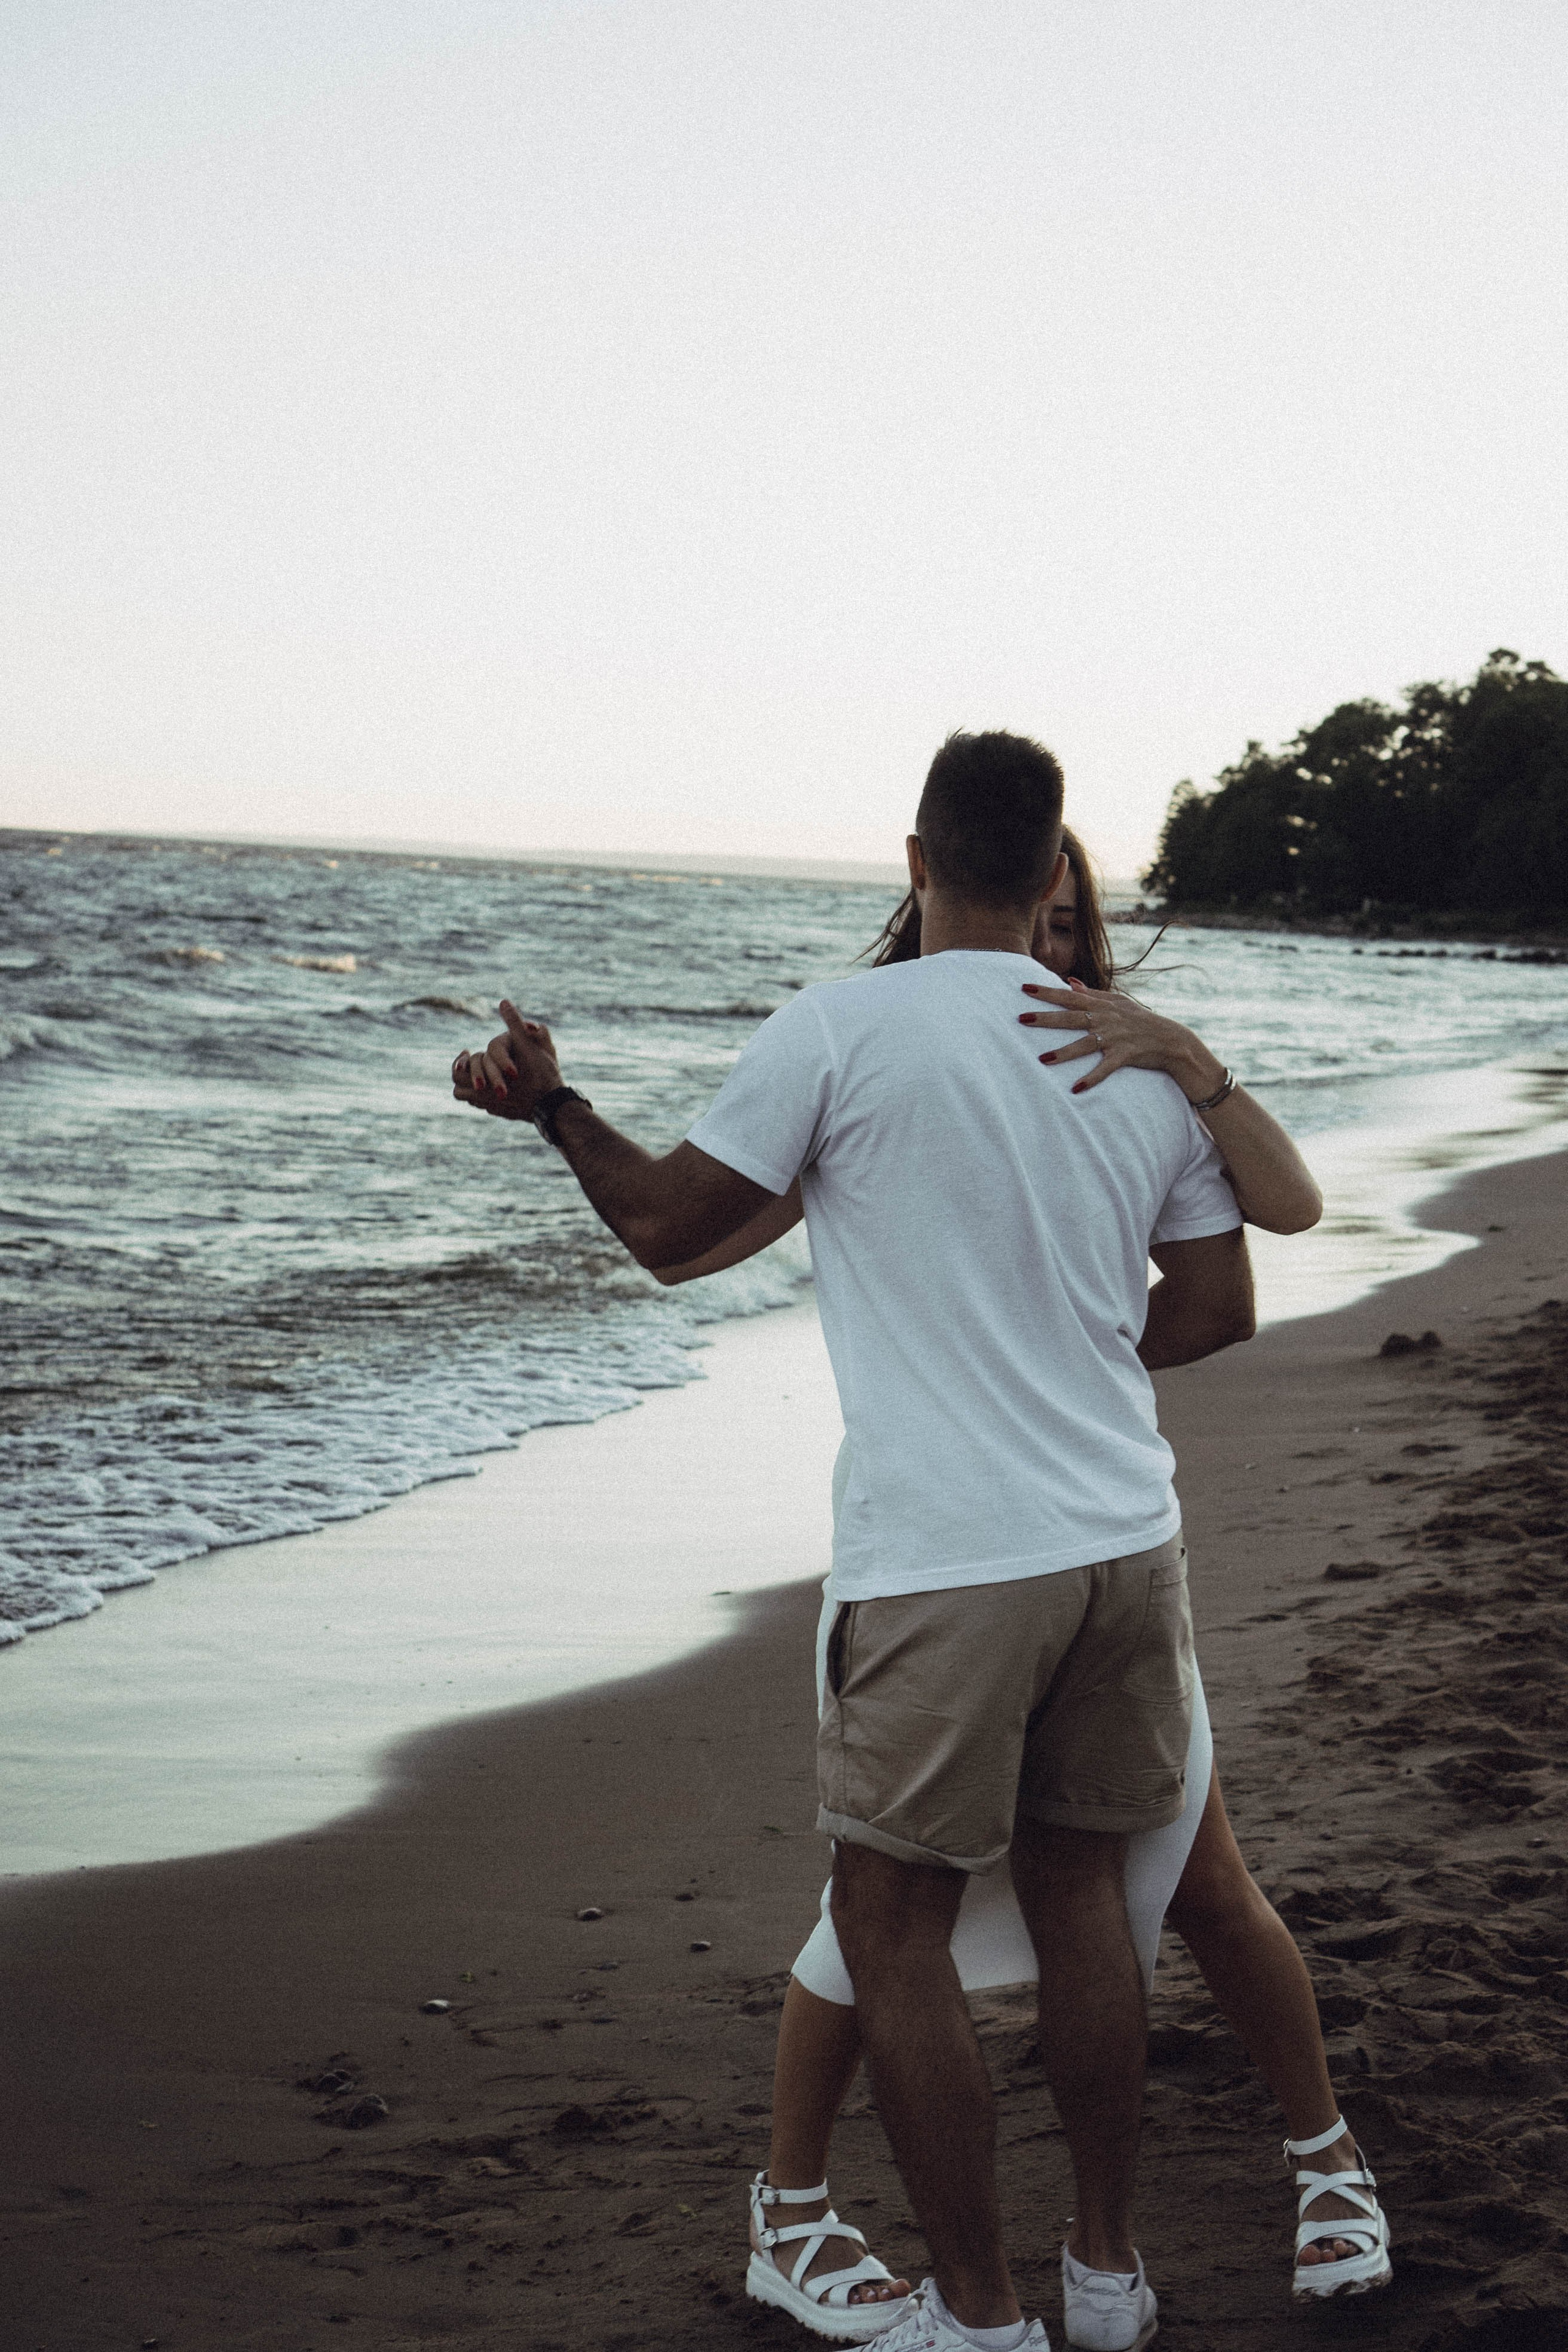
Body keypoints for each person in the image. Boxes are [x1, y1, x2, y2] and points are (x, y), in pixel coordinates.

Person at [449, 733, 1324, 2352]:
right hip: (1126, 1548)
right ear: (1057, 868)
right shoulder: (1128, 1054)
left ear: (914, 858)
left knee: (892, 1928)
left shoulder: (837, 1032)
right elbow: (1214, 1305)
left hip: (945, 1561)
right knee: (1086, 1906)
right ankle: (1106, 2275)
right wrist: (1061, 1368)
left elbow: (667, 1234)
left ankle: (982, 2316)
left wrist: (557, 1102)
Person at [649, 831, 1390, 2339]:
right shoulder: (936, 1056)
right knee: (957, 1914)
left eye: (1074, 929)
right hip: (1082, 1550)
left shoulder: (1106, 1066)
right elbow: (745, 1220)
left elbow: (1261, 1248)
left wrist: (1178, 1062)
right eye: (1041, 918)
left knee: (1131, 1894)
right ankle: (897, 2228)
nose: (1051, 951)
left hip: (1014, 1558)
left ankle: (1287, 2174)